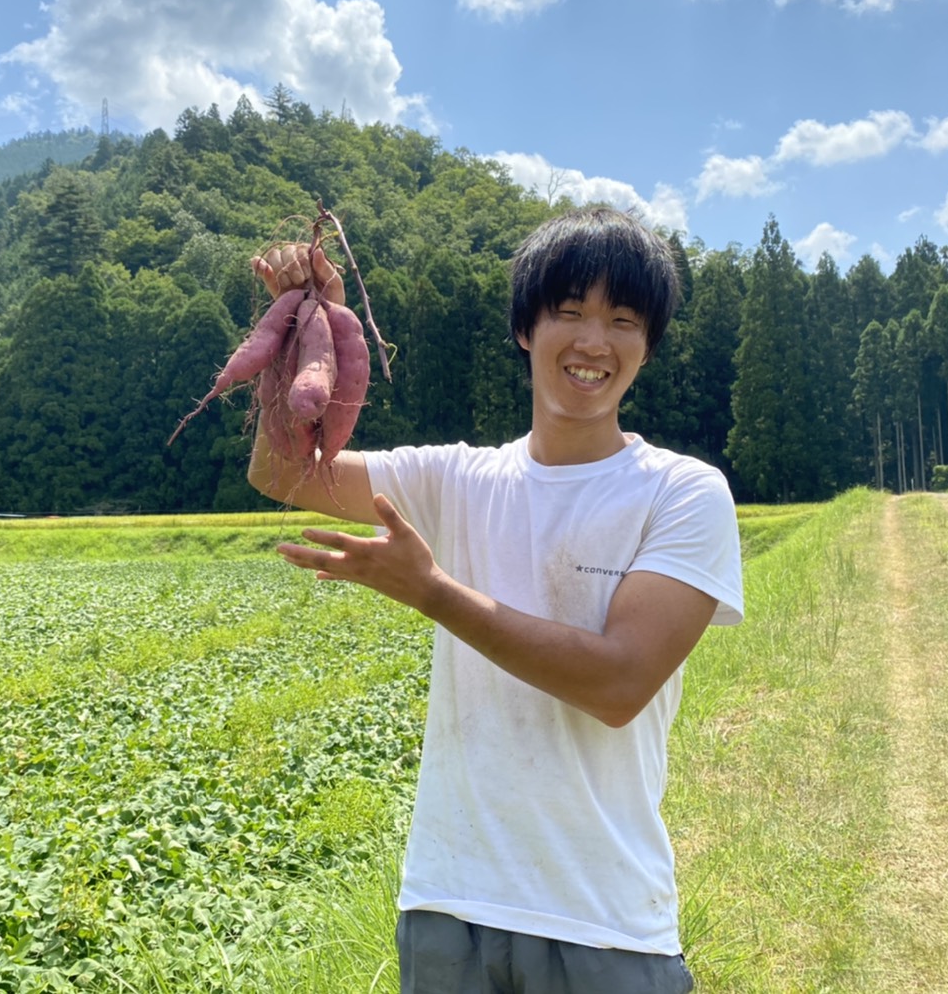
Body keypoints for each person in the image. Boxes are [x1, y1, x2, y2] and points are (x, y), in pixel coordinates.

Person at [248, 207, 744, 994]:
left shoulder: (683, 494)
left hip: (604, 920)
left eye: (622, 320)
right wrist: (310, 328)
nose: (593, 341)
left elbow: (617, 686)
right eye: (570, 312)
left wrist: (433, 593)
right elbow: (282, 474)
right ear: (525, 327)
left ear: (647, 345)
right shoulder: (456, 478)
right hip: (451, 904)